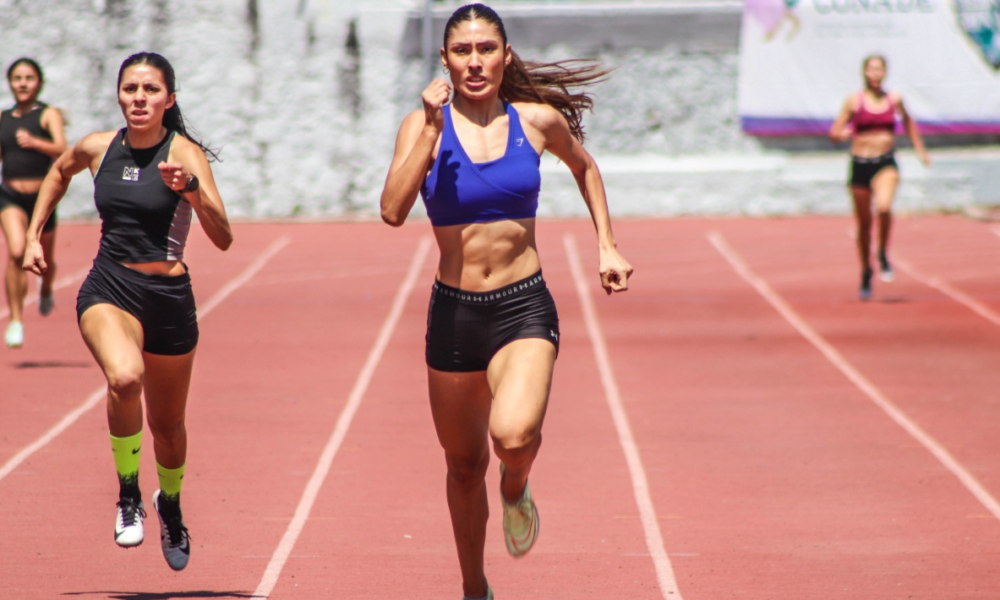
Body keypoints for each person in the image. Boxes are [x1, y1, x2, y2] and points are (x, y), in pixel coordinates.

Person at [380, 4, 632, 599]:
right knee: (464, 468)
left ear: (506, 55)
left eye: (486, 49)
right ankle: (475, 588)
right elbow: (392, 210)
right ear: (444, 59)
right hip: (454, 314)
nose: (475, 62)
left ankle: (516, 485)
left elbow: (585, 167)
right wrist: (432, 128)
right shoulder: (421, 128)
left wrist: (608, 246)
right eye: (462, 51)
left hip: (522, 305)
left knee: (512, 437)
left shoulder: (537, 122)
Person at [23, 52, 232, 571]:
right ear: (119, 95)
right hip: (110, 287)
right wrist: (32, 234)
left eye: (150, 90)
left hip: (168, 299)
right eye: (130, 89)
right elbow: (58, 170)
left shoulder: (184, 153)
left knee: (169, 426)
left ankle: (173, 505)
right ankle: (127, 494)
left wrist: (193, 190)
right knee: (124, 377)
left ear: (169, 99)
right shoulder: (99, 147)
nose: (139, 98)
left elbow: (224, 238)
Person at [830, 54, 929, 301]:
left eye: (879, 69)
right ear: (864, 72)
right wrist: (843, 134)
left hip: (885, 162)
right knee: (864, 225)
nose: (875, 74)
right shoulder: (853, 101)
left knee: (884, 208)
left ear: (885, 72)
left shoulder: (894, 99)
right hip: (860, 164)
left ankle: (883, 251)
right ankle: (866, 269)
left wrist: (920, 150)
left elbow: (908, 122)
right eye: (871, 69)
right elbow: (834, 131)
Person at [0, 58, 67, 347]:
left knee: (44, 261)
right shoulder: (3, 117)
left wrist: (36, 142)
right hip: (9, 195)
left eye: (28, 78)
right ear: (10, 83)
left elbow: (63, 149)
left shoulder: (47, 114)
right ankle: (16, 319)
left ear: (39, 82)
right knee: (16, 252)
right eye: (17, 78)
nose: (23, 83)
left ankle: (47, 288)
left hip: (42, 199)